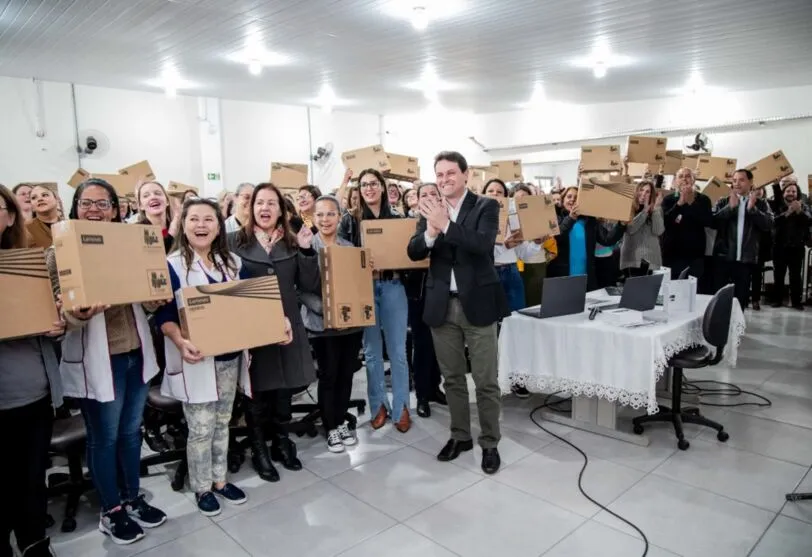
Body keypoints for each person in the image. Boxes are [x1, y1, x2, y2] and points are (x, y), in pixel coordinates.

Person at [46, 178, 167, 545]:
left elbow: (145, 295)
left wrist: (154, 300)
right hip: (100, 359)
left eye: (103, 204)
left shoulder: (128, 245)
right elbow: (57, 310)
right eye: (87, 204)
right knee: (104, 438)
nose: (95, 210)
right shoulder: (59, 252)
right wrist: (79, 312)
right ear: (76, 208)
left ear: (116, 209)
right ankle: (110, 510)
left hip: (135, 352)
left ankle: (132, 497)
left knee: (131, 434)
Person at [155, 198, 285, 516]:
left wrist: (275, 320)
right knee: (200, 427)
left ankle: (220, 480)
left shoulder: (231, 264)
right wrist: (178, 339)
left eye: (209, 220)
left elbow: (245, 307)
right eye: (194, 219)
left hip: (228, 358)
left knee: (222, 421)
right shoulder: (172, 266)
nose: (201, 226)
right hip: (196, 359)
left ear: (218, 225)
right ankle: (201, 487)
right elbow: (164, 315)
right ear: (183, 225)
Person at [407, 151, 510, 475]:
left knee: (485, 381)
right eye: (439, 175)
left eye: (451, 173)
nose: (444, 180)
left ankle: (490, 442)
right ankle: (460, 436)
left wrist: (446, 225)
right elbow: (413, 250)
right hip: (441, 304)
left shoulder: (485, 206)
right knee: (452, 378)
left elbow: (481, 244)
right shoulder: (430, 210)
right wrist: (431, 232)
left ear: (465, 175)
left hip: (477, 304)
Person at [228, 183, 319, 482]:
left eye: (271, 203)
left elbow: (309, 284)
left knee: (284, 389)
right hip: (252, 330)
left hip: (287, 327)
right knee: (256, 392)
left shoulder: (294, 243)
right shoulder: (233, 242)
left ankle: (282, 440)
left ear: (281, 210)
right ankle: (259, 448)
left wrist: (307, 251)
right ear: (250, 208)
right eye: (259, 203)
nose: (265, 208)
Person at [0, 184, 65, 557]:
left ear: (11, 215)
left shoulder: (30, 263)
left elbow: (57, 321)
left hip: (33, 392)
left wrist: (59, 322)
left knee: (31, 479)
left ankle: (35, 543)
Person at [339, 169, 412, 433]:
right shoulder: (350, 221)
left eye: (373, 184)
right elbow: (341, 256)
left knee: (398, 352)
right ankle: (378, 405)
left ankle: (402, 405)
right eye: (364, 184)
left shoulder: (400, 219)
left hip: (393, 286)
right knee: (371, 353)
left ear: (383, 187)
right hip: (364, 288)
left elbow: (410, 255)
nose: (368, 188)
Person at [302, 196, 364, 451]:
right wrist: (325, 310)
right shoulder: (306, 247)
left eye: (331, 214)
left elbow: (356, 285)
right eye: (320, 215)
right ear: (313, 218)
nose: (325, 220)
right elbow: (299, 289)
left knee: (346, 374)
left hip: (350, 324)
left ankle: (340, 422)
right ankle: (331, 426)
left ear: (340, 217)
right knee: (329, 376)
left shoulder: (349, 247)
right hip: (321, 324)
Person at [404, 183, 446, 418]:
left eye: (433, 194)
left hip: (443, 291)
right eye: (424, 195)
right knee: (422, 344)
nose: (429, 198)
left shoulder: (450, 219)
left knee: (440, 343)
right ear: (417, 200)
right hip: (419, 292)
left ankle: (434, 388)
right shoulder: (415, 223)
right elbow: (414, 251)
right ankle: (421, 395)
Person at [712, 169, 774, 309]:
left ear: (751, 182)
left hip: (746, 260)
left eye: (741, 180)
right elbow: (713, 222)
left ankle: (737, 328)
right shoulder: (724, 201)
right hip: (724, 257)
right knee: (720, 299)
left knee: (741, 300)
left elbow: (768, 224)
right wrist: (730, 208)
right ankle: (719, 328)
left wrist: (753, 210)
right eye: (734, 180)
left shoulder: (761, 203)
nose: (737, 183)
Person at [547, 186, 625, 291]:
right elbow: (556, 238)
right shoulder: (556, 219)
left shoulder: (590, 221)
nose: (572, 200)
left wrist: (621, 225)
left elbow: (607, 240)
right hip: (563, 276)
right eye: (569, 197)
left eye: (576, 197)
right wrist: (571, 218)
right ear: (563, 200)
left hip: (586, 277)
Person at [482, 178, 542, 312]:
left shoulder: (513, 218)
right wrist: (504, 246)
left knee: (516, 317)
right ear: (483, 194)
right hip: (488, 272)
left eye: (499, 191)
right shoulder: (476, 219)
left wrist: (536, 244)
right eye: (490, 191)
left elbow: (524, 255)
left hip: (512, 272)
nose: (494, 194)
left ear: (505, 196)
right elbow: (478, 250)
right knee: (491, 319)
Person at [661, 167, 713, 280]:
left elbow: (708, 221)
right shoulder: (668, 200)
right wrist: (679, 204)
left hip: (695, 254)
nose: (684, 179)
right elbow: (664, 222)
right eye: (681, 176)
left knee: (692, 290)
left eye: (688, 176)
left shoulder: (703, 199)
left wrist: (691, 202)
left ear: (693, 180)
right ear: (675, 181)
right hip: (672, 253)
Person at [512, 184, 557, 307]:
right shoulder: (509, 219)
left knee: (535, 302)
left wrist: (540, 239)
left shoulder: (539, 216)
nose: (522, 201)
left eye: (526, 198)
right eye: (518, 198)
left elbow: (552, 245)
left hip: (536, 264)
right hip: (514, 267)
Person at [770, 176, 810, 309]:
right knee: (779, 275)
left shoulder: (803, 206)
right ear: (783, 193)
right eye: (788, 191)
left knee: (795, 276)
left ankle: (796, 302)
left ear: (797, 193)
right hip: (779, 246)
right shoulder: (777, 205)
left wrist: (799, 211)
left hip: (796, 247)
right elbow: (774, 222)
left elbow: (809, 222)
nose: (791, 194)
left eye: (793, 191)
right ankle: (777, 300)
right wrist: (788, 212)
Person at [620, 180, 664, 276]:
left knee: (649, 289)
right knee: (634, 289)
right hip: (632, 258)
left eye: (647, 192)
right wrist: (644, 211)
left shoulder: (656, 209)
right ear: (636, 191)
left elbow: (658, 231)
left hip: (650, 258)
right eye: (641, 190)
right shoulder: (629, 207)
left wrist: (655, 208)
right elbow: (630, 230)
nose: (643, 194)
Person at [135, 181, 180, 253]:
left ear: (167, 201)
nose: (153, 197)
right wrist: (172, 232)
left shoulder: (178, 228)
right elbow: (157, 255)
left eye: (158, 193)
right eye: (146, 196)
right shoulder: (136, 231)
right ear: (141, 206)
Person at [25, 184, 62, 249]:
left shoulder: (69, 225)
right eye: (34, 198)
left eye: (45, 195)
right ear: (32, 207)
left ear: (56, 200)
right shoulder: (25, 229)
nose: (40, 199)